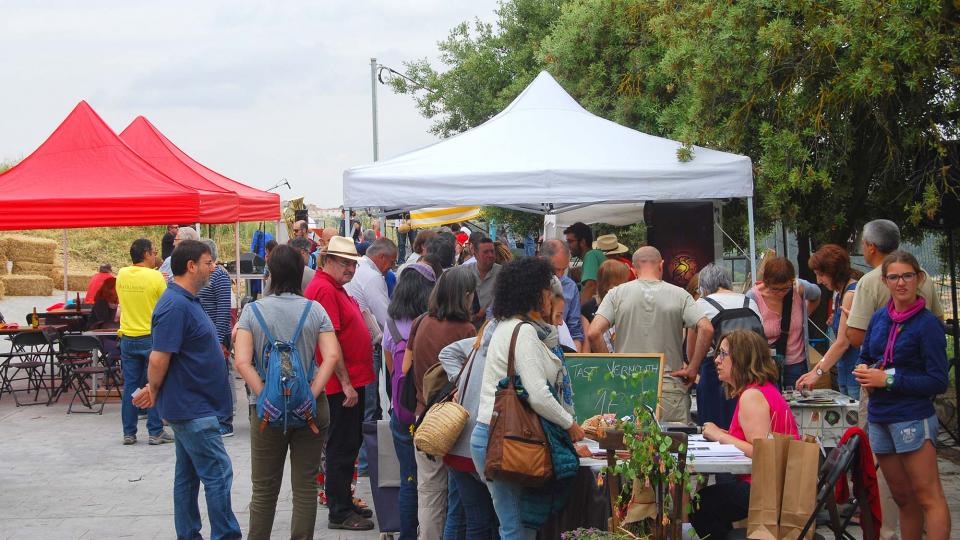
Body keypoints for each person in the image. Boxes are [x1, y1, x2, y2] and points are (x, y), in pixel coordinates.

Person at [131, 240, 241, 540]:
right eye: (208, 262)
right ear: (191, 266)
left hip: (194, 405)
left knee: (188, 477)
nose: (213, 267)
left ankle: (189, 534)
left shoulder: (187, 301)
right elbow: (158, 356)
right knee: (218, 473)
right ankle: (225, 535)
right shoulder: (175, 305)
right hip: (193, 409)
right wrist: (152, 389)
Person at [233, 244, 343, 540]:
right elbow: (331, 356)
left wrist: (266, 396)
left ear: (269, 273)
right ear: (299, 274)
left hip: (266, 413)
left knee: (264, 489)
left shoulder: (252, 311)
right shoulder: (315, 309)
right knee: (305, 486)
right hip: (310, 410)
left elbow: (242, 360)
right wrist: (311, 393)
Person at [844, 220, 945, 540]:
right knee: (902, 498)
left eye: (907, 276)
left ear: (918, 279)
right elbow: (864, 353)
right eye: (894, 277)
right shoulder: (880, 318)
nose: (901, 283)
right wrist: (863, 371)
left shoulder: (926, 324)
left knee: (928, 497)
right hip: (880, 417)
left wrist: (888, 380)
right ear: (884, 281)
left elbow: (937, 380)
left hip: (912, 417)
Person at [471, 257, 585, 539]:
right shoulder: (522, 332)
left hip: (502, 435)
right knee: (516, 528)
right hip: (505, 438)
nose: (554, 298)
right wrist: (569, 424)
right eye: (549, 291)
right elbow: (539, 395)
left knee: (518, 524)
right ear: (535, 293)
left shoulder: (514, 327)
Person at [690, 330, 800, 539]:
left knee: (700, 505)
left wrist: (719, 435)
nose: (717, 360)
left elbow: (760, 452)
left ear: (741, 359)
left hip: (767, 487)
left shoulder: (752, 396)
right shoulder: (758, 390)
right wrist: (725, 434)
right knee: (708, 503)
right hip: (776, 483)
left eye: (723, 354)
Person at [587, 246, 713, 423]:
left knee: (627, 447)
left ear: (633, 268)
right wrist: (693, 368)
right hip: (668, 386)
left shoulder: (616, 294)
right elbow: (706, 329)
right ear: (661, 265)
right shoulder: (680, 295)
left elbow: (593, 333)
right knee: (672, 446)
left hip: (626, 385)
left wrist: (612, 368)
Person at [303, 236, 375, 531]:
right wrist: (345, 383)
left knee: (348, 444)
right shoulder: (323, 288)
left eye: (352, 263)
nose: (350, 268)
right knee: (342, 447)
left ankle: (343, 501)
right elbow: (329, 341)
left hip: (351, 380)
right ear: (327, 261)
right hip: (340, 384)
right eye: (344, 262)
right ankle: (340, 510)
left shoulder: (333, 287)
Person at [406, 267, 478, 540]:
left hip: (424, 417)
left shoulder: (421, 321)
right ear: (465, 295)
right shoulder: (466, 330)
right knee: (456, 497)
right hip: (453, 424)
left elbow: (406, 366)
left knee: (429, 492)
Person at [382, 263, 437, 539]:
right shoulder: (431, 324)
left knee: (408, 478)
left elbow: (392, 369)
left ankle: (407, 535)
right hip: (431, 412)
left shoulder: (390, 324)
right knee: (433, 481)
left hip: (401, 412)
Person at [438, 320, 499, 540]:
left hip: (459, 443)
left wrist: (461, 382)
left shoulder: (479, 341)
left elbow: (447, 353)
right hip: (482, 444)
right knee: (493, 520)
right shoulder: (508, 345)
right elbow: (446, 353)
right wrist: (461, 381)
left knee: (476, 521)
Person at [344, 237, 398, 472]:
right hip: (368, 345)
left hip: (355, 345)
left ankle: (362, 460)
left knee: (363, 404)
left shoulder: (359, 270)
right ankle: (366, 462)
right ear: (382, 257)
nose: (392, 267)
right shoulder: (373, 277)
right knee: (369, 404)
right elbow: (386, 317)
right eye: (392, 261)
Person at [688, 263, 761, 429]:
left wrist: (693, 368)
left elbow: (691, 351)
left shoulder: (701, 304)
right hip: (749, 373)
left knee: (714, 429)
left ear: (703, 286)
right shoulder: (750, 302)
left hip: (716, 374)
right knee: (743, 428)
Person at [115, 238, 172, 446]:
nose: (156, 254)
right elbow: (166, 304)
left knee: (131, 385)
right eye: (154, 251)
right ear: (147, 254)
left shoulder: (121, 274)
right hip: (150, 338)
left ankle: (128, 432)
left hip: (127, 337)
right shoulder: (156, 277)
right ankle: (155, 432)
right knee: (154, 384)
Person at [797, 244, 862, 398]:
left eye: (821, 275)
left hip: (856, 373)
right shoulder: (840, 293)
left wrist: (817, 372)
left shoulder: (850, 294)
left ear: (834, 272)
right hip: (846, 371)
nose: (819, 281)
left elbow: (842, 343)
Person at [746, 256, 821, 390]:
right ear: (766, 283)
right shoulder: (753, 297)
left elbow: (817, 293)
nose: (780, 293)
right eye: (775, 289)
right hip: (766, 365)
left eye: (785, 289)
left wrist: (804, 316)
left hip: (797, 364)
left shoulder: (798, 287)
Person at [196, 239, 235, 437]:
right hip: (204, 336)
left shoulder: (219, 276)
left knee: (220, 379)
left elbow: (223, 310)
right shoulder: (200, 278)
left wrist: (220, 340)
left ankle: (225, 421)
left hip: (217, 336)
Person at [541, 239, 584, 350]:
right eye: (555, 270)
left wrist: (575, 358)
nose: (559, 275)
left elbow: (575, 330)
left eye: (564, 270)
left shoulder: (570, 286)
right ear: (541, 261)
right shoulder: (526, 284)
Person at [564, 222, 606, 306]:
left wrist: (578, 312)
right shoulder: (594, 255)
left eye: (570, 241)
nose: (568, 245)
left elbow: (590, 285)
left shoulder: (591, 255)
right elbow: (582, 281)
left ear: (582, 242)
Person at [580, 258, 631, 324]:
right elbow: (589, 333)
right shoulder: (589, 307)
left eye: (626, 283)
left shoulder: (628, 304)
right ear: (606, 285)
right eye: (620, 284)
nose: (625, 287)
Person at [466, 236, 501, 328]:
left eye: (492, 251)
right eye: (486, 252)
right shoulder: (465, 271)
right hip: (468, 324)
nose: (491, 255)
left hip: (493, 326)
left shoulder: (502, 273)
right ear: (475, 254)